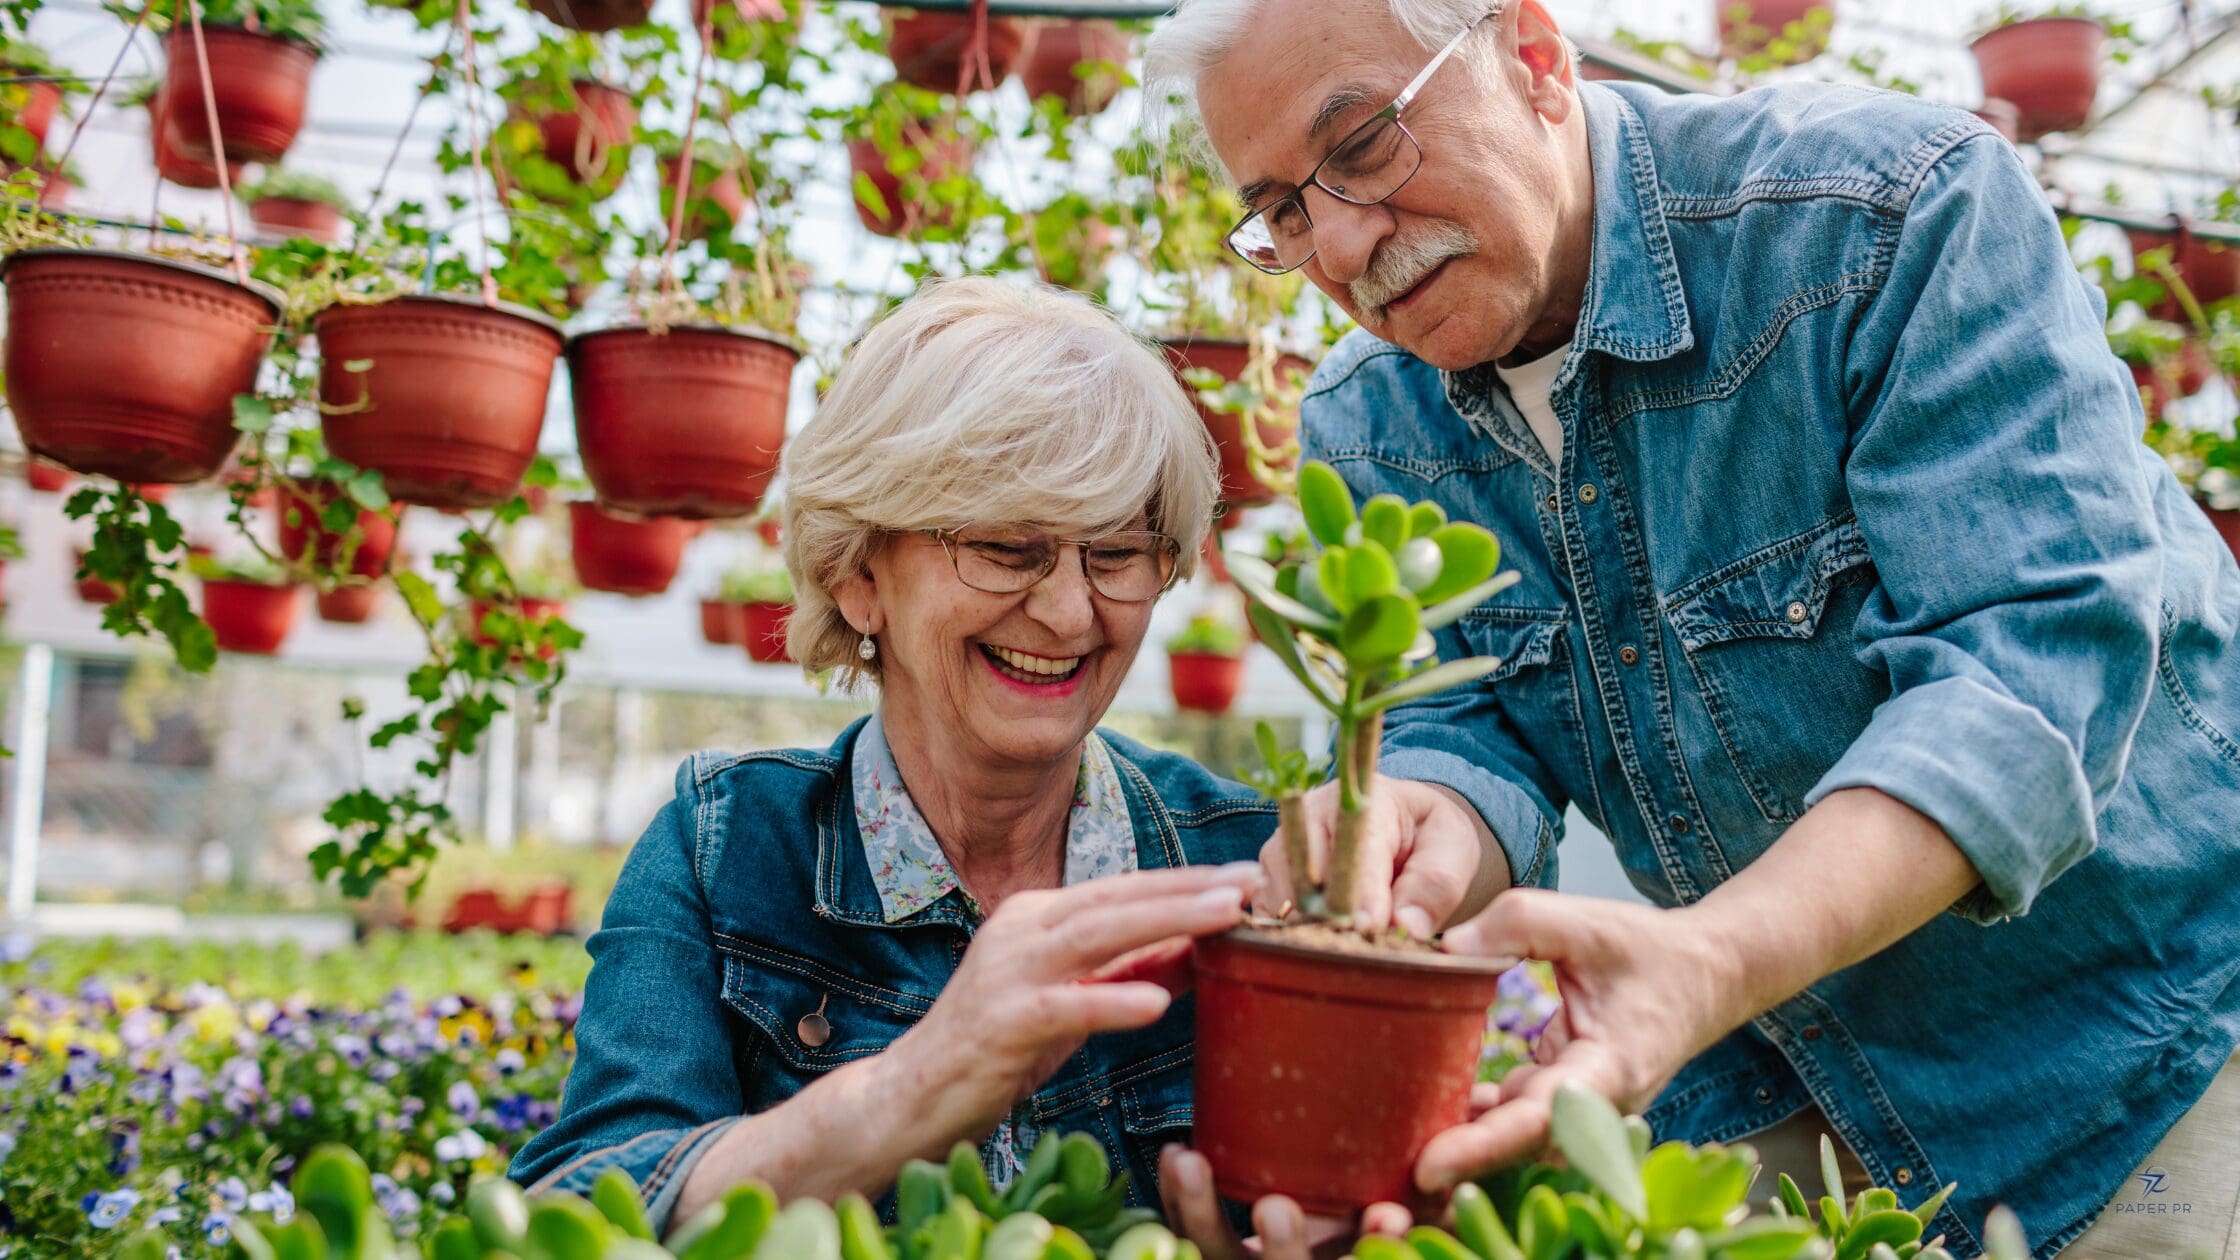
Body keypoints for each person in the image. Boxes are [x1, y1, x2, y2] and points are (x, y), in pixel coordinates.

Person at [1143, 2, 2240, 1257]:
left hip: (2146, 1044)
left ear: (1536, 59)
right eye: (1281, 208)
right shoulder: (1370, 418)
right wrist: (1417, 828)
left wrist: (1708, 962)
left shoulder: (1879, 218)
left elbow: (2025, 669)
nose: (1338, 243)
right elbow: (1473, 721)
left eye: (1364, 144)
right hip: (1784, 1077)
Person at [510, 277, 1287, 1239]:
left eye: (1118, 552)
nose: (1069, 611)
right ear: (859, 575)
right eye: (1009, 548)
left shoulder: (1249, 863)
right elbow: (580, 1202)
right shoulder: (727, 848)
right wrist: (913, 1088)